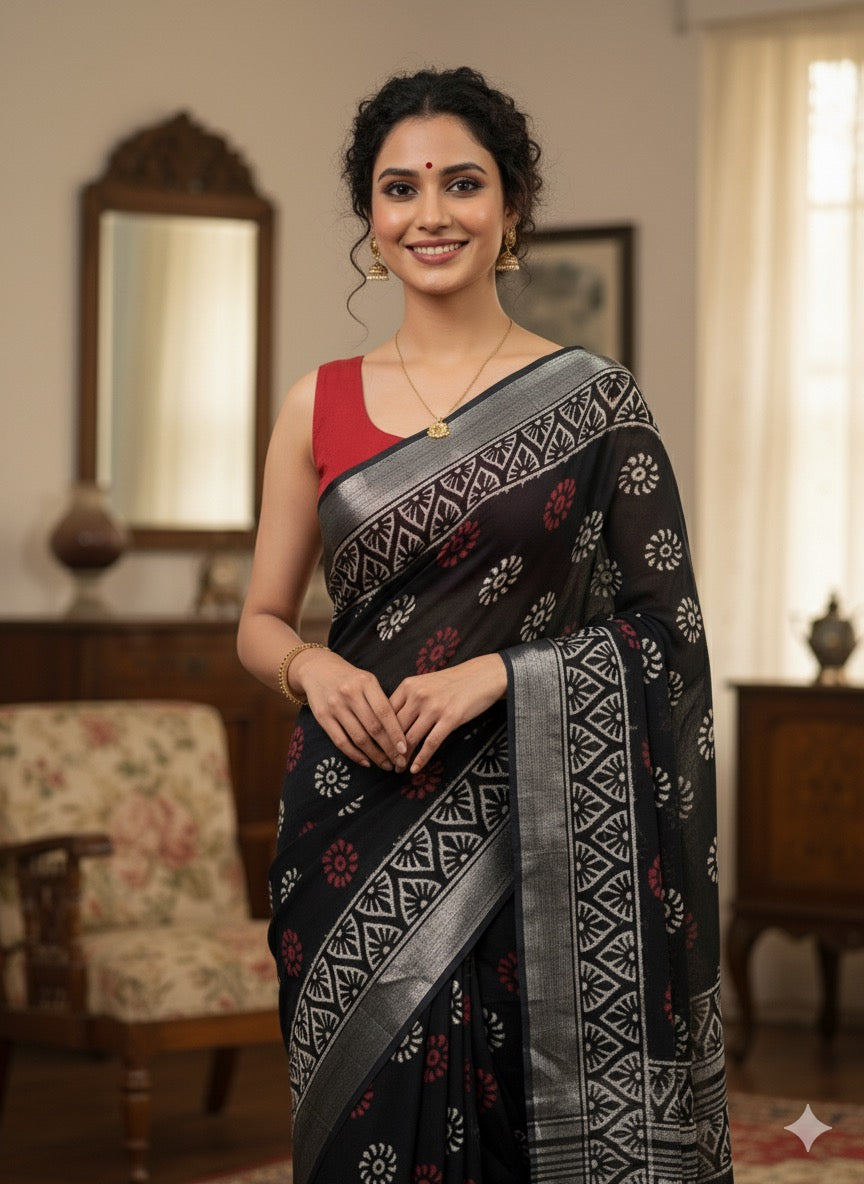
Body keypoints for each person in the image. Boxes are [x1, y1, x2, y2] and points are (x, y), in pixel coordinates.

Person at [237, 66, 734, 1184]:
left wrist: (501, 675)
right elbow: (260, 620)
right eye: (399, 188)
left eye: (462, 183)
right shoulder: (315, 402)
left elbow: (668, 633)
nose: (432, 213)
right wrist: (314, 669)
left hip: (534, 826)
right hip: (348, 818)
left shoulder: (596, 402)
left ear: (512, 207)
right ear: (371, 219)